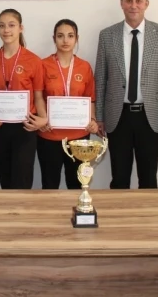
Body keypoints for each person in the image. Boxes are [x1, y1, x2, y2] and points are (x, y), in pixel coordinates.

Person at [94, 0, 158, 189]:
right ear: (121, 3)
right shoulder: (107, 35)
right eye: (129, 0)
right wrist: (100, 116)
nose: (134, 5)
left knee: (148, 178)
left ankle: (148, 210)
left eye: (139, 1)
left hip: (151, 116)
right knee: (119, 177)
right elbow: (101, 79)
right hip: (118, 116)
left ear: (147, 4)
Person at [0, 9, 47, 189]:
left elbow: (38, 96)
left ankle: (22, 209)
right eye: (2, 26)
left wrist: (44, 118)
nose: (6, 30)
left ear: (21, 28)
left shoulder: (34, 60)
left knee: (22, 181)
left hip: (25, 126)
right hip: (0, 127)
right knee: (5, 180)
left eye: (11, 25)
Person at [38, 19, 98, 190]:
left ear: (77, 38)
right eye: (60, 36)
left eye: (70, 36)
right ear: (54, 39)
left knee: (77, 185)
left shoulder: (84, 66)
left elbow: (90, 98)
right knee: (50, 186)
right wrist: (42, 118)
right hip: (49, 135)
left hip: (78, 137)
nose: (65, 40)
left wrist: (93, 119)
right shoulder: (43, 65)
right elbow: (38, 97)